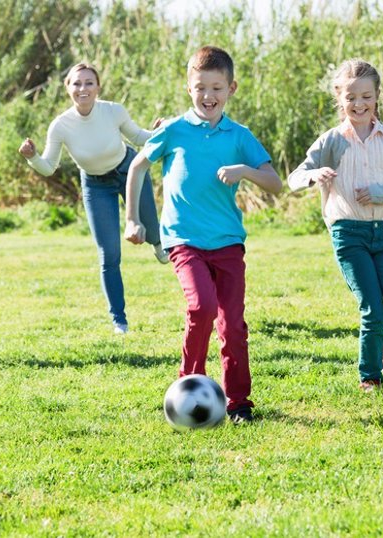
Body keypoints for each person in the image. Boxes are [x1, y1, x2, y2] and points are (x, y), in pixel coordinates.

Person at [124, 46, 283, 424]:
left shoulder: (239, 136)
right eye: (200, 88)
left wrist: (244, 170)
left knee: (233, 324)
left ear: (232, 89)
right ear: (188, 88)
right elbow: (136, 168)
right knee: (202, 307)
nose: (208, 96)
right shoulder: (173, 131)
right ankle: (187, 386)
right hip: (184, 240)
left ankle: (239, 403)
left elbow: (275, 183)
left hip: (228, 242)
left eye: (216, 87)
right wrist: (132, 219)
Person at [287, 58, 383, 392]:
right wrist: (313, 175)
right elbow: (293, 178)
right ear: (340, 98)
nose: (359, 104)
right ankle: (370, 377)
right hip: (348, 234)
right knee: (372, 310)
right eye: (351, 97)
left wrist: (380, 193)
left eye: (366, 96)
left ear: (377, 96)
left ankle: (381, 345)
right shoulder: (331, 141)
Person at [18, 63, 167, 335]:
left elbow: (136, 136)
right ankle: (119, 321)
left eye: (89, 83)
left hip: (128, 170)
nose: (82, 88)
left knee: (152, 228)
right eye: (76, 83)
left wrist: (158, 132)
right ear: (68, 89)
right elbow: (48, 166)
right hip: (95, 185)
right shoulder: (60, 126)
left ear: (98, 87)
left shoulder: (113, 111)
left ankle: (158, 243)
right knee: (108, 253)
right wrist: (32, 158)